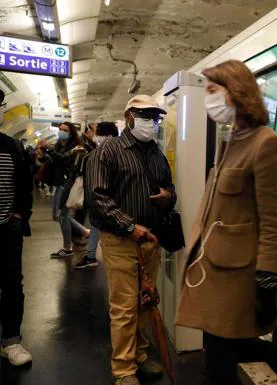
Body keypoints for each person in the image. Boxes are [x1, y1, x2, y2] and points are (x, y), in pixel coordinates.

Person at [175, 60, 277, 385]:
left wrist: (267, 283)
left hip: (239, 273)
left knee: (220, 358)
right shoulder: (233, 141)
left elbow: (271, 222)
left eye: (213, 90)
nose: (207, 98)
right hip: (212, 267)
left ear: (236, 92)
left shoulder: (267, 144)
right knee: (221, 346)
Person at [86, 96, 175, 385]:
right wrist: (128, 226)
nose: (151, 121)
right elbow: (97, 198)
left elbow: (170, 187)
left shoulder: (157, 154)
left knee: (144, 303)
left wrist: (168, 197)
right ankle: (123, 370)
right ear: (128, 116)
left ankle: (139, 354)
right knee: (124, 307)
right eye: (145, 115)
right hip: (120, 241)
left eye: (155, 117)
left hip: (151, 239)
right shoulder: (108, 152)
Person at [0, 131, 34, 366]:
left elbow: (24, 184)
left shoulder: (12, 146)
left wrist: (21, 215)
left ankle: (11, 341)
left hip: (7, 228)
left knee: (12, 283)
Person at [74, 121, 119, 270]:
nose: (96, 137)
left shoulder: (103, 154)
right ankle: (92, 255)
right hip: (106, 200)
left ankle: (93, 255)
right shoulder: (100, 152)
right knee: (95, 226)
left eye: (100, 134)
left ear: (110, 136)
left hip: (107, 200)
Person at [45, 122, 90, 258]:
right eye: (60, 129)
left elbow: (63, 159)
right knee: (58, 216)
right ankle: (84, 231)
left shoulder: (74, 148)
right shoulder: (60, 145)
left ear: (71, 133)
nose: (61, 132)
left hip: (67, 185)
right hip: (60, 183)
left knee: (62, 216)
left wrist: (49, 150)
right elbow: (55, 163)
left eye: (65, 130)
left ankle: (67, 247)